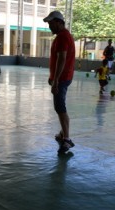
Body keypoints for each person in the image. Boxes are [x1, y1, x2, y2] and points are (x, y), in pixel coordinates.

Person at [43, 10, 75, 153]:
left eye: (51, 23)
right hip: (63, 77)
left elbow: (62, 59)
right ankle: (62, 134)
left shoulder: (62, 37)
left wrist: (55, 81)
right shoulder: (64, 36)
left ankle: (66, 139)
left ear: (58, 22)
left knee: (60, 108)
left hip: (61, 79)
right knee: (59, 107)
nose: (49, 26)